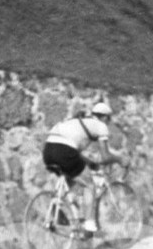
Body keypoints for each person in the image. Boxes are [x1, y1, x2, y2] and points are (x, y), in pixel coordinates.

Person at [41, 101, 121, 235]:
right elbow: (105, 156)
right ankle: (89, 224)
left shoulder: (77, 122)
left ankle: (61, 210)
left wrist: (90, 163)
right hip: (64, 151)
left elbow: (75, 152)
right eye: (109, 119)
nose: (108, 122)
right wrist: (120, 159)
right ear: (105, 117)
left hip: (48, 151)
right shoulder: (100, 125)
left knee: (74, 184)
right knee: (89, 185)